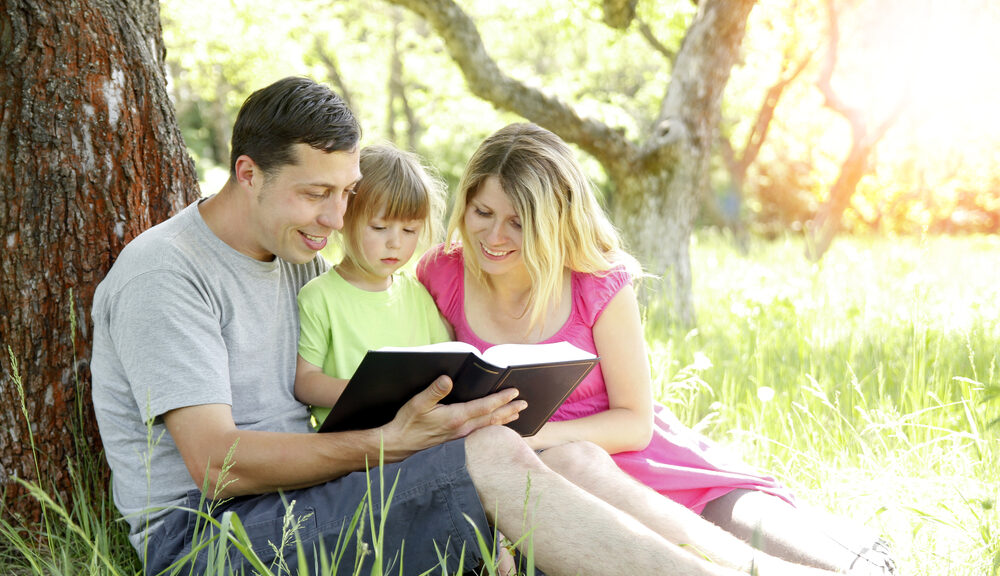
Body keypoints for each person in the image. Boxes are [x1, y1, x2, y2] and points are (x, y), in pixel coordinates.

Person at [90, 76, 842, 576]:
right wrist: (387, 444)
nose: (334, 219)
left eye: (344, 194)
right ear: (248, 173)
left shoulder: (293, 248)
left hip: (305, 499)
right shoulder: (168, 275)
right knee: (487, 449)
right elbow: (217, 465)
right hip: (215, 541)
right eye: (316, 194)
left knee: (571, 460)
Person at [418, 122, 896, 575]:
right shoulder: (441, 275)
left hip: (660, 476)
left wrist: (529, 440)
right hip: (557, 489)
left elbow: (634, 423)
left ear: (553, 221)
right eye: (483, 213)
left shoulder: (597, 283)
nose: (495, 237)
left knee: (847, 563)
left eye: (518, 223)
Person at [294, 142, 451, 428]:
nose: (395, 242)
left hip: (415, 439)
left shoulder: (417, 295)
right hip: (351, 446)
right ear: (345, 217)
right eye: (379, 228)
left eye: (409, 230)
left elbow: (447, 364)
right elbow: (306, 383)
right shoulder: (320, 296)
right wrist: (375, 394)